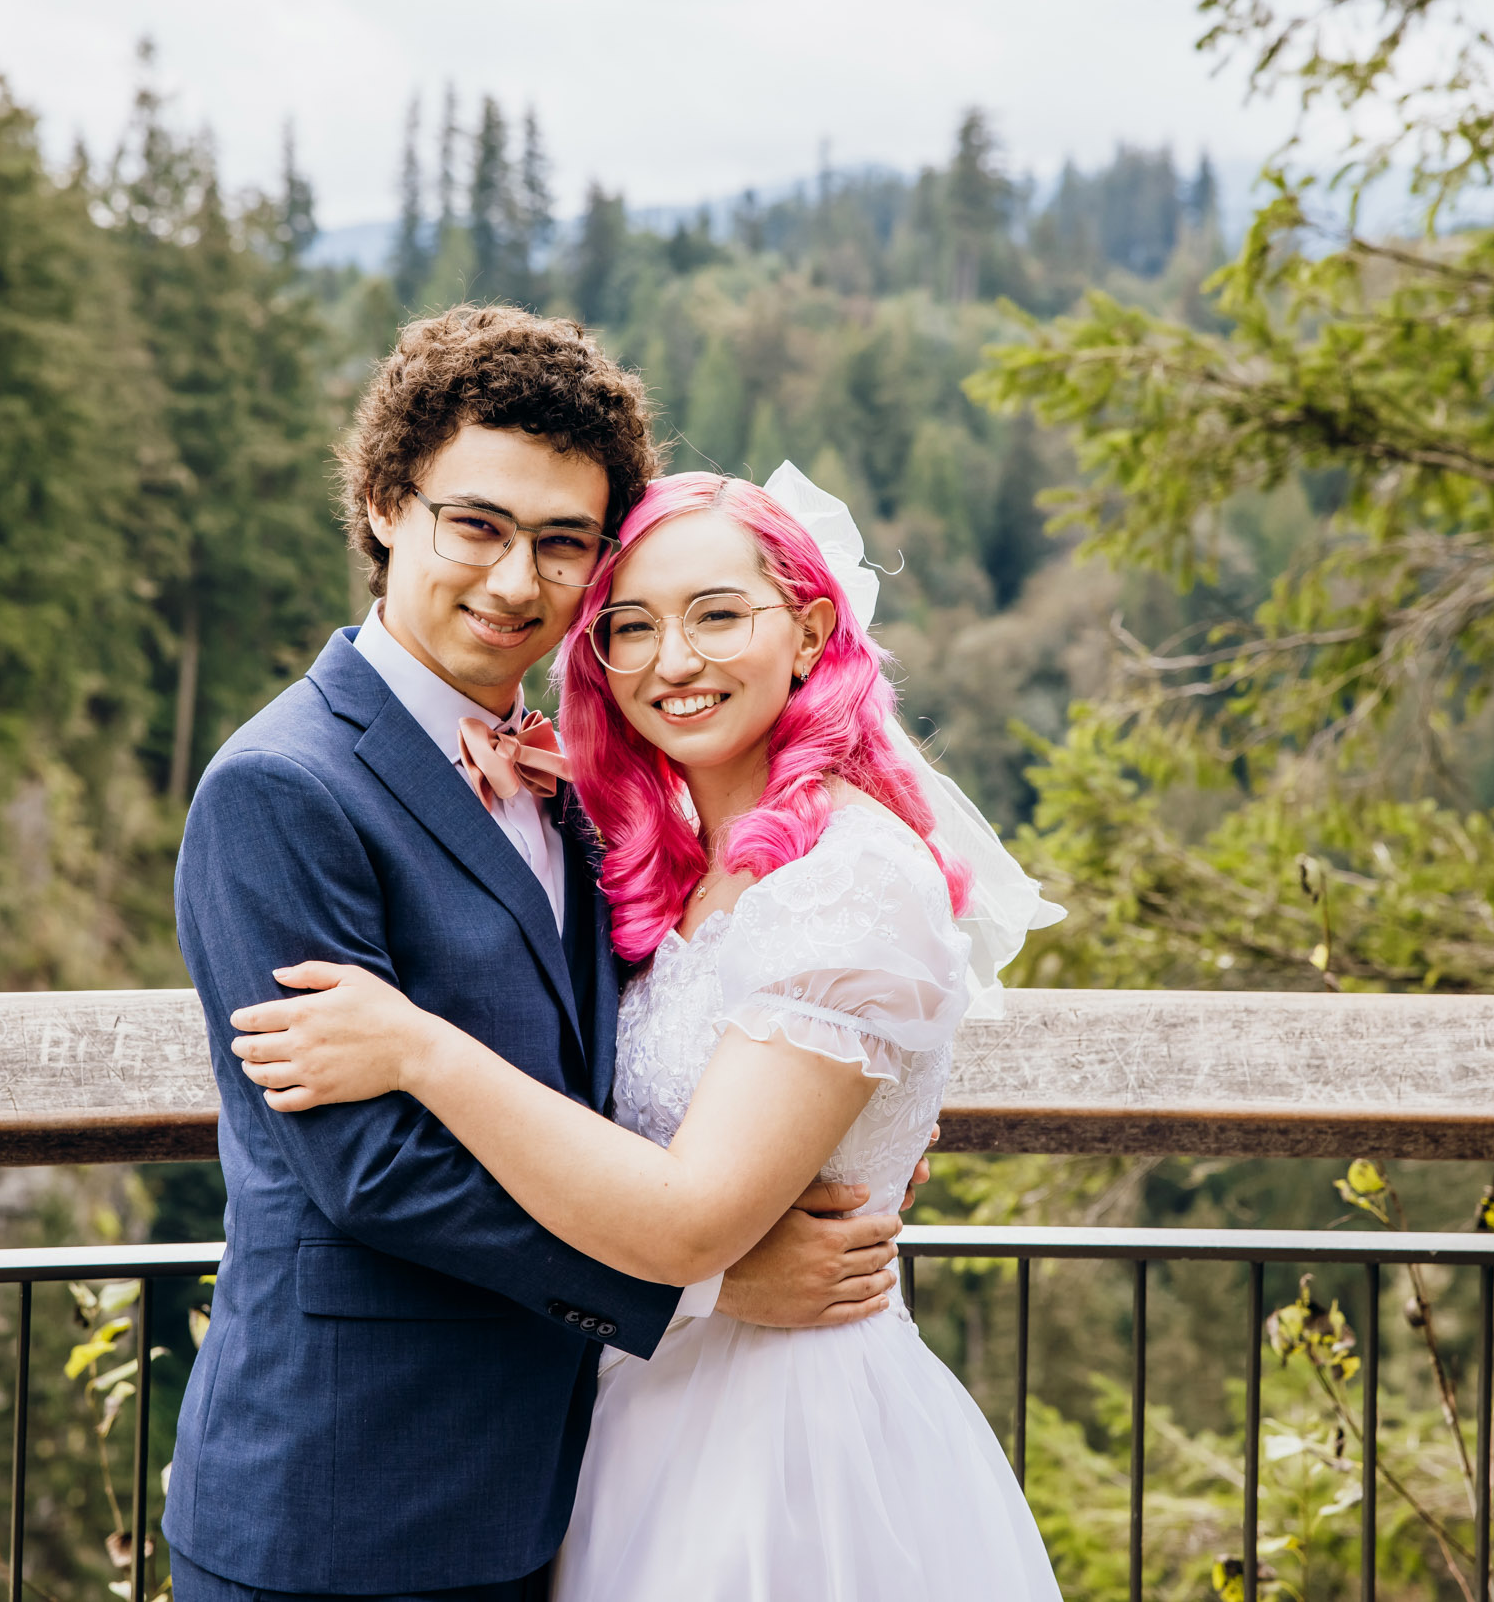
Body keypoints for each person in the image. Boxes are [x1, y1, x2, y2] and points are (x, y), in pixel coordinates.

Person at [164, 310, 916, 1602]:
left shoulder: (575, 788)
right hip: (346, 1499)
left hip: (556, 1491)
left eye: (564, 543)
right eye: (478, 524)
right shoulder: (280, 788)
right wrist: (702, 1286)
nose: (517, 581)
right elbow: (372, 1173)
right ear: (391, 504)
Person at [233, 464, 1066, 1600]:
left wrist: (418, 1045)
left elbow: (685, 1220)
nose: (673, 660)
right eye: (631, 626)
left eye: (719, 614)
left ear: (811, 629)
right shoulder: (671, 852)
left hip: (785, 1449)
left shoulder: (853, 884)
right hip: (620, 1429)